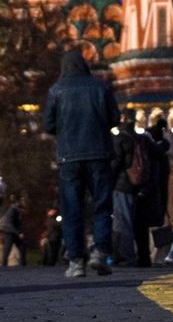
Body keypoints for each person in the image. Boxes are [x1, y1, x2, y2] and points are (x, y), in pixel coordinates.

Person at [43, 48, 119, 278]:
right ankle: (99, 252)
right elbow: (114, 118)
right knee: (102, 206)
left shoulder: (57, 90)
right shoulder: (100, 87)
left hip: (69, 157)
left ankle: (76, 261)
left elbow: (48, 125)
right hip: (99, 155)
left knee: (72, 209)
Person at [135, 122, 170, 268]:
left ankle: (144, 257)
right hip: (159, 195)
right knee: (158, 226)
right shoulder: (163, 157)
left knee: (142, 227)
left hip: (145, 193)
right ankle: (158, 258)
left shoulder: (146, 152)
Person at [111, 111, 141, 266]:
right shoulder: (137, 138)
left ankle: (125, 255)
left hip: (121, 184)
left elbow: (115, 163)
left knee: (122, 221)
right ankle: (127, 255)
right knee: (128, 219)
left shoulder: (120, 138)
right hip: (133, 184)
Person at [0, 195, 27, 267]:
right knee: (7, 248)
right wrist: (18, 232)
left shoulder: (16, 211)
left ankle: (23, 264)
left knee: (22, 247)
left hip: (14, 232)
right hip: (9, 232)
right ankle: (4, 264)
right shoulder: (12, 211)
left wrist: (20, 231)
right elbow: (8, 223)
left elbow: (18, 223)